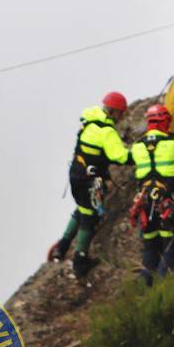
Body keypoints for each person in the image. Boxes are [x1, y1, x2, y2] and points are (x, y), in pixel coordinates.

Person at [50, 92, 130, 280]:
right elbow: (121, 156)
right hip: (88, 180)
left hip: (77, 174)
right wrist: (141, 155)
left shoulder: (90, 122)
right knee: (89, 216)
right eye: (121, 113)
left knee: (81, 209)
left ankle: (61, 248)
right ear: (116, 112)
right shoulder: (106, 131)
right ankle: (80, 260)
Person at [128, 104, 174, 283]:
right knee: (171, 247)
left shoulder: (137, 146)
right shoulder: (171, 142)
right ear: (165, 122)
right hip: (166, 203)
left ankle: (145, 288)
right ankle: (162, 287)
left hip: (144, 203)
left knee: (151, 247)